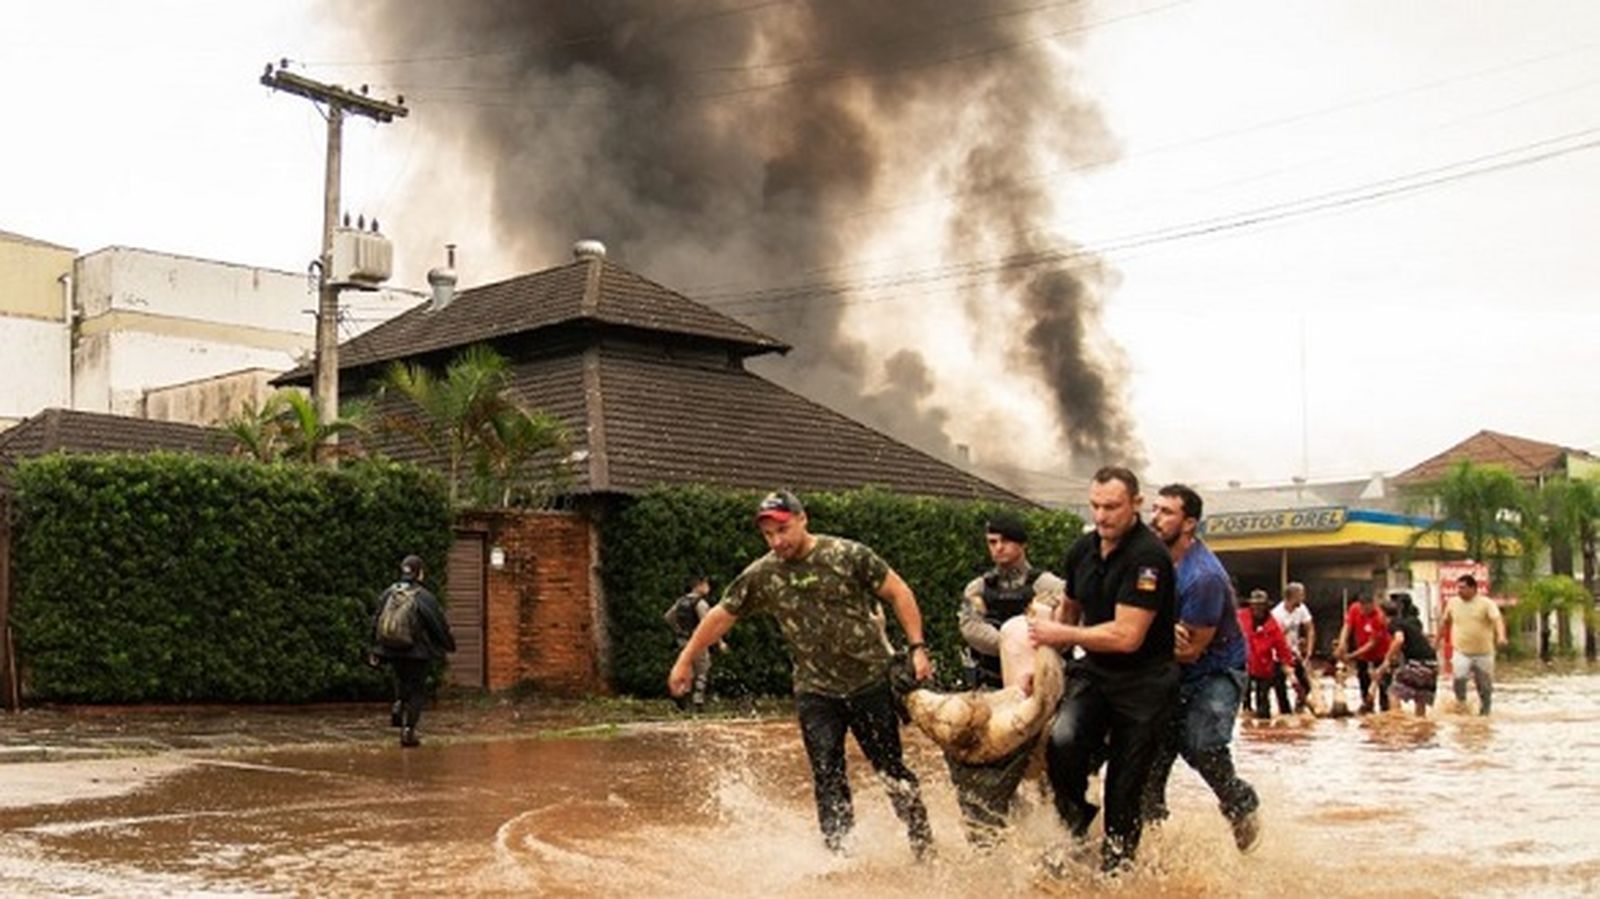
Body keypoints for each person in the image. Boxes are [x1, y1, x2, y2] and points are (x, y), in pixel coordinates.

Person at [667, 490, 935, 859]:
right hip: (816, 690)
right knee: (827, 774)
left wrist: (918, 648)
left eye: (783, 530)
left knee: (889, 768)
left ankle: (922, 844)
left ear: (802, 519)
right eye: (768, 535)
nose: (777, 542)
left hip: (869, 682)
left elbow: (899, 592)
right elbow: (720, 616)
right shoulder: (764, 574)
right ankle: (839, 856)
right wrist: (685, 660)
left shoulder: (847, 555)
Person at [1028, 466, 1179, 873]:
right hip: (1095, 673)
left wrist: (1059, 631)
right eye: (1095, 505)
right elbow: (1070, 612)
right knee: (1063, 742)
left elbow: (1128, 635)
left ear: (1135, 504)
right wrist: (1045, 662)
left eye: (1111, 507)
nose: (1101, 516)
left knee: (1124, 788)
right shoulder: (1082, 550)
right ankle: (1075, 823)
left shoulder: (1149, 559)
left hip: (1145, 684)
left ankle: (1118, 873)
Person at [1141, 484, 1262, 853]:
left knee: (1202, 744)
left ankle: (1241, 803)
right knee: (1148, 757)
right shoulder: (1149, 561)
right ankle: (1149, 848)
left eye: (1166, 513)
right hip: (1164, 667)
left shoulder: (1203, 577)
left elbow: (1191, 651)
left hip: (1215, 670)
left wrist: (1145, 636)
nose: (1155, 518)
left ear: (1189, 523)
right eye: (1155, 509)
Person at [947, 513, 1066, 846]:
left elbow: (1064, 620)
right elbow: (970, 628)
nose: (997, 549)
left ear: (1021, 543)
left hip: (1039, 688)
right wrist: (1009, 642)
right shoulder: (979, 588)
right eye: (991, 542)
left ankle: (1056, 824)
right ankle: (999, 825)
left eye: (1004, 541)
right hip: (992, 688)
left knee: (1051, 755)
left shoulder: (1049, 586)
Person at [370, 554, 456, 748]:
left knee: (401, 680)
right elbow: (438, 625)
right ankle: (408, 732)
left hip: (391, 650)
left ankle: (399, 704)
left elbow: (376, 620)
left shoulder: (388, 593)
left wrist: (375, 650)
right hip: (417, 653)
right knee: (417, 690)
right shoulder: (424, 596)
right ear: (420, 573)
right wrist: (448, 645)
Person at [1437, 574, 1507, 715]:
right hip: (1461, 651)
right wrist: (1436, 641)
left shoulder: (1486, 603)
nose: (1459, 591)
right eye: (1458, 588)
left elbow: (1497, 620)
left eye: (1463, 588)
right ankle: (1461, 704)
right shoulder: (1453, 603)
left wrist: (1501, 636)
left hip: (1484, 652)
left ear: (1473, 588)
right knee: (1459, 677)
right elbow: (1444, 623)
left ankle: (1485, 712)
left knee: (1485, 686)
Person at [663, 573, 720, 712]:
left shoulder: (681, 601)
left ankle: (681, 697)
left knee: (687, 670)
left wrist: (679, 630)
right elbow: (708, 623)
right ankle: (698, 701)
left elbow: (668, 617)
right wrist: (718, 641)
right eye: (706, 584)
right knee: (702, 669)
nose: (708, 587)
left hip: (682, 640)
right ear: (699, 585)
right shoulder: (700, 603)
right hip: (697, 641)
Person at [1239, 590, 1296, 721]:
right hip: (1244, 663)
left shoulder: (1272, 624)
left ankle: (1264, 730)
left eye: (1261, 605)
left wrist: (1288, 665)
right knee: (1244, 702)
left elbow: (1281, 646)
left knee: (1263, 705)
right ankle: (1247, 729)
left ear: (1266, 606)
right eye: (1255, 605)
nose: (1258, 608)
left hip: (1264, 666)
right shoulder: (1241, 617)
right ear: (1251, 605)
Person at [1375, 599, 1438, 716]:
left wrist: (1386, 661)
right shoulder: (1407, 623)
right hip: (1432, 664)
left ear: (1383, 614)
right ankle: (1421, 729)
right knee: (1420, 699)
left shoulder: (1393, 624)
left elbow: (1399, 639)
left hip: (1417, 663)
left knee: (1393, 693)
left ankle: (1397, 724)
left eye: (1378, 613)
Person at [1335, 593, 1391, 713]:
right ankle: (1367, 706)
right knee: (1363, 679)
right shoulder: (1354, 608)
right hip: (1362, 654)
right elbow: (1347, 626)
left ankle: (1385, 709)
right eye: (1362, 608)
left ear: (1372, 605)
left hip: (1380, 653)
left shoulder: (1379, 617)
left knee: (1383, 684)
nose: (1363, 612)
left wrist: (1351, 656)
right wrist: (1342, 643)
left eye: (1366, 609)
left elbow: (1372, 643)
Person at [1270, 582, 1316, 713]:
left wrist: (1309, 651)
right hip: (1277, 655)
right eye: (1301, 595)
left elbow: (1310, 628)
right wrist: (1285, 659)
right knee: (1280, 688)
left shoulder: (1301, 609)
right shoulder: (1277, 614)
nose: (1304, 598)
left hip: (1294, 653)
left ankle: (1299, 706)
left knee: (1305, 685)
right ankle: (1285, 716)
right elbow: (1276, 640)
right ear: (1292, 596)